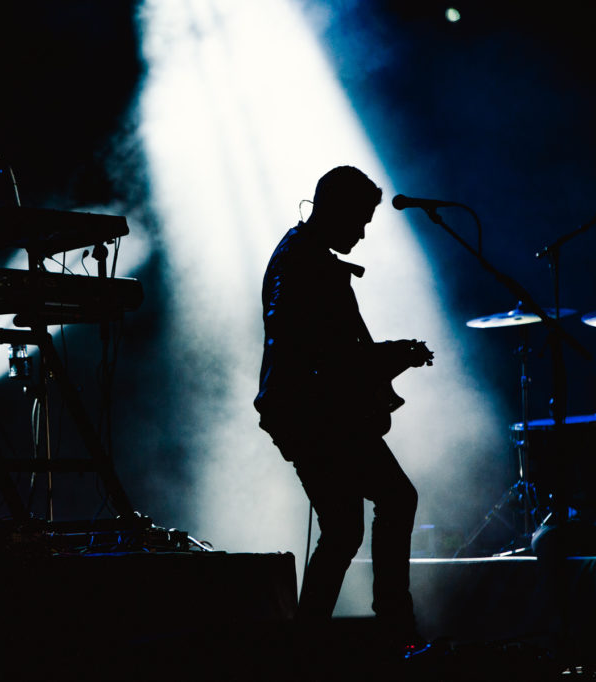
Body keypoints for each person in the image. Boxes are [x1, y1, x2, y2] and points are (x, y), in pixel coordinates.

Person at [254, 165, 433, 655]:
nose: (362, 234)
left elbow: (333, 351)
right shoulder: (300, 262)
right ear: (334, 209)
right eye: (359, 221)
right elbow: (314, 348)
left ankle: (313, 642)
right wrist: (391, 356)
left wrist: (387, 357)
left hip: (314, 413)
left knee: (343, 530)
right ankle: (394, 628)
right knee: (392, 501)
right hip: (313, 416)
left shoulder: (308, 258)